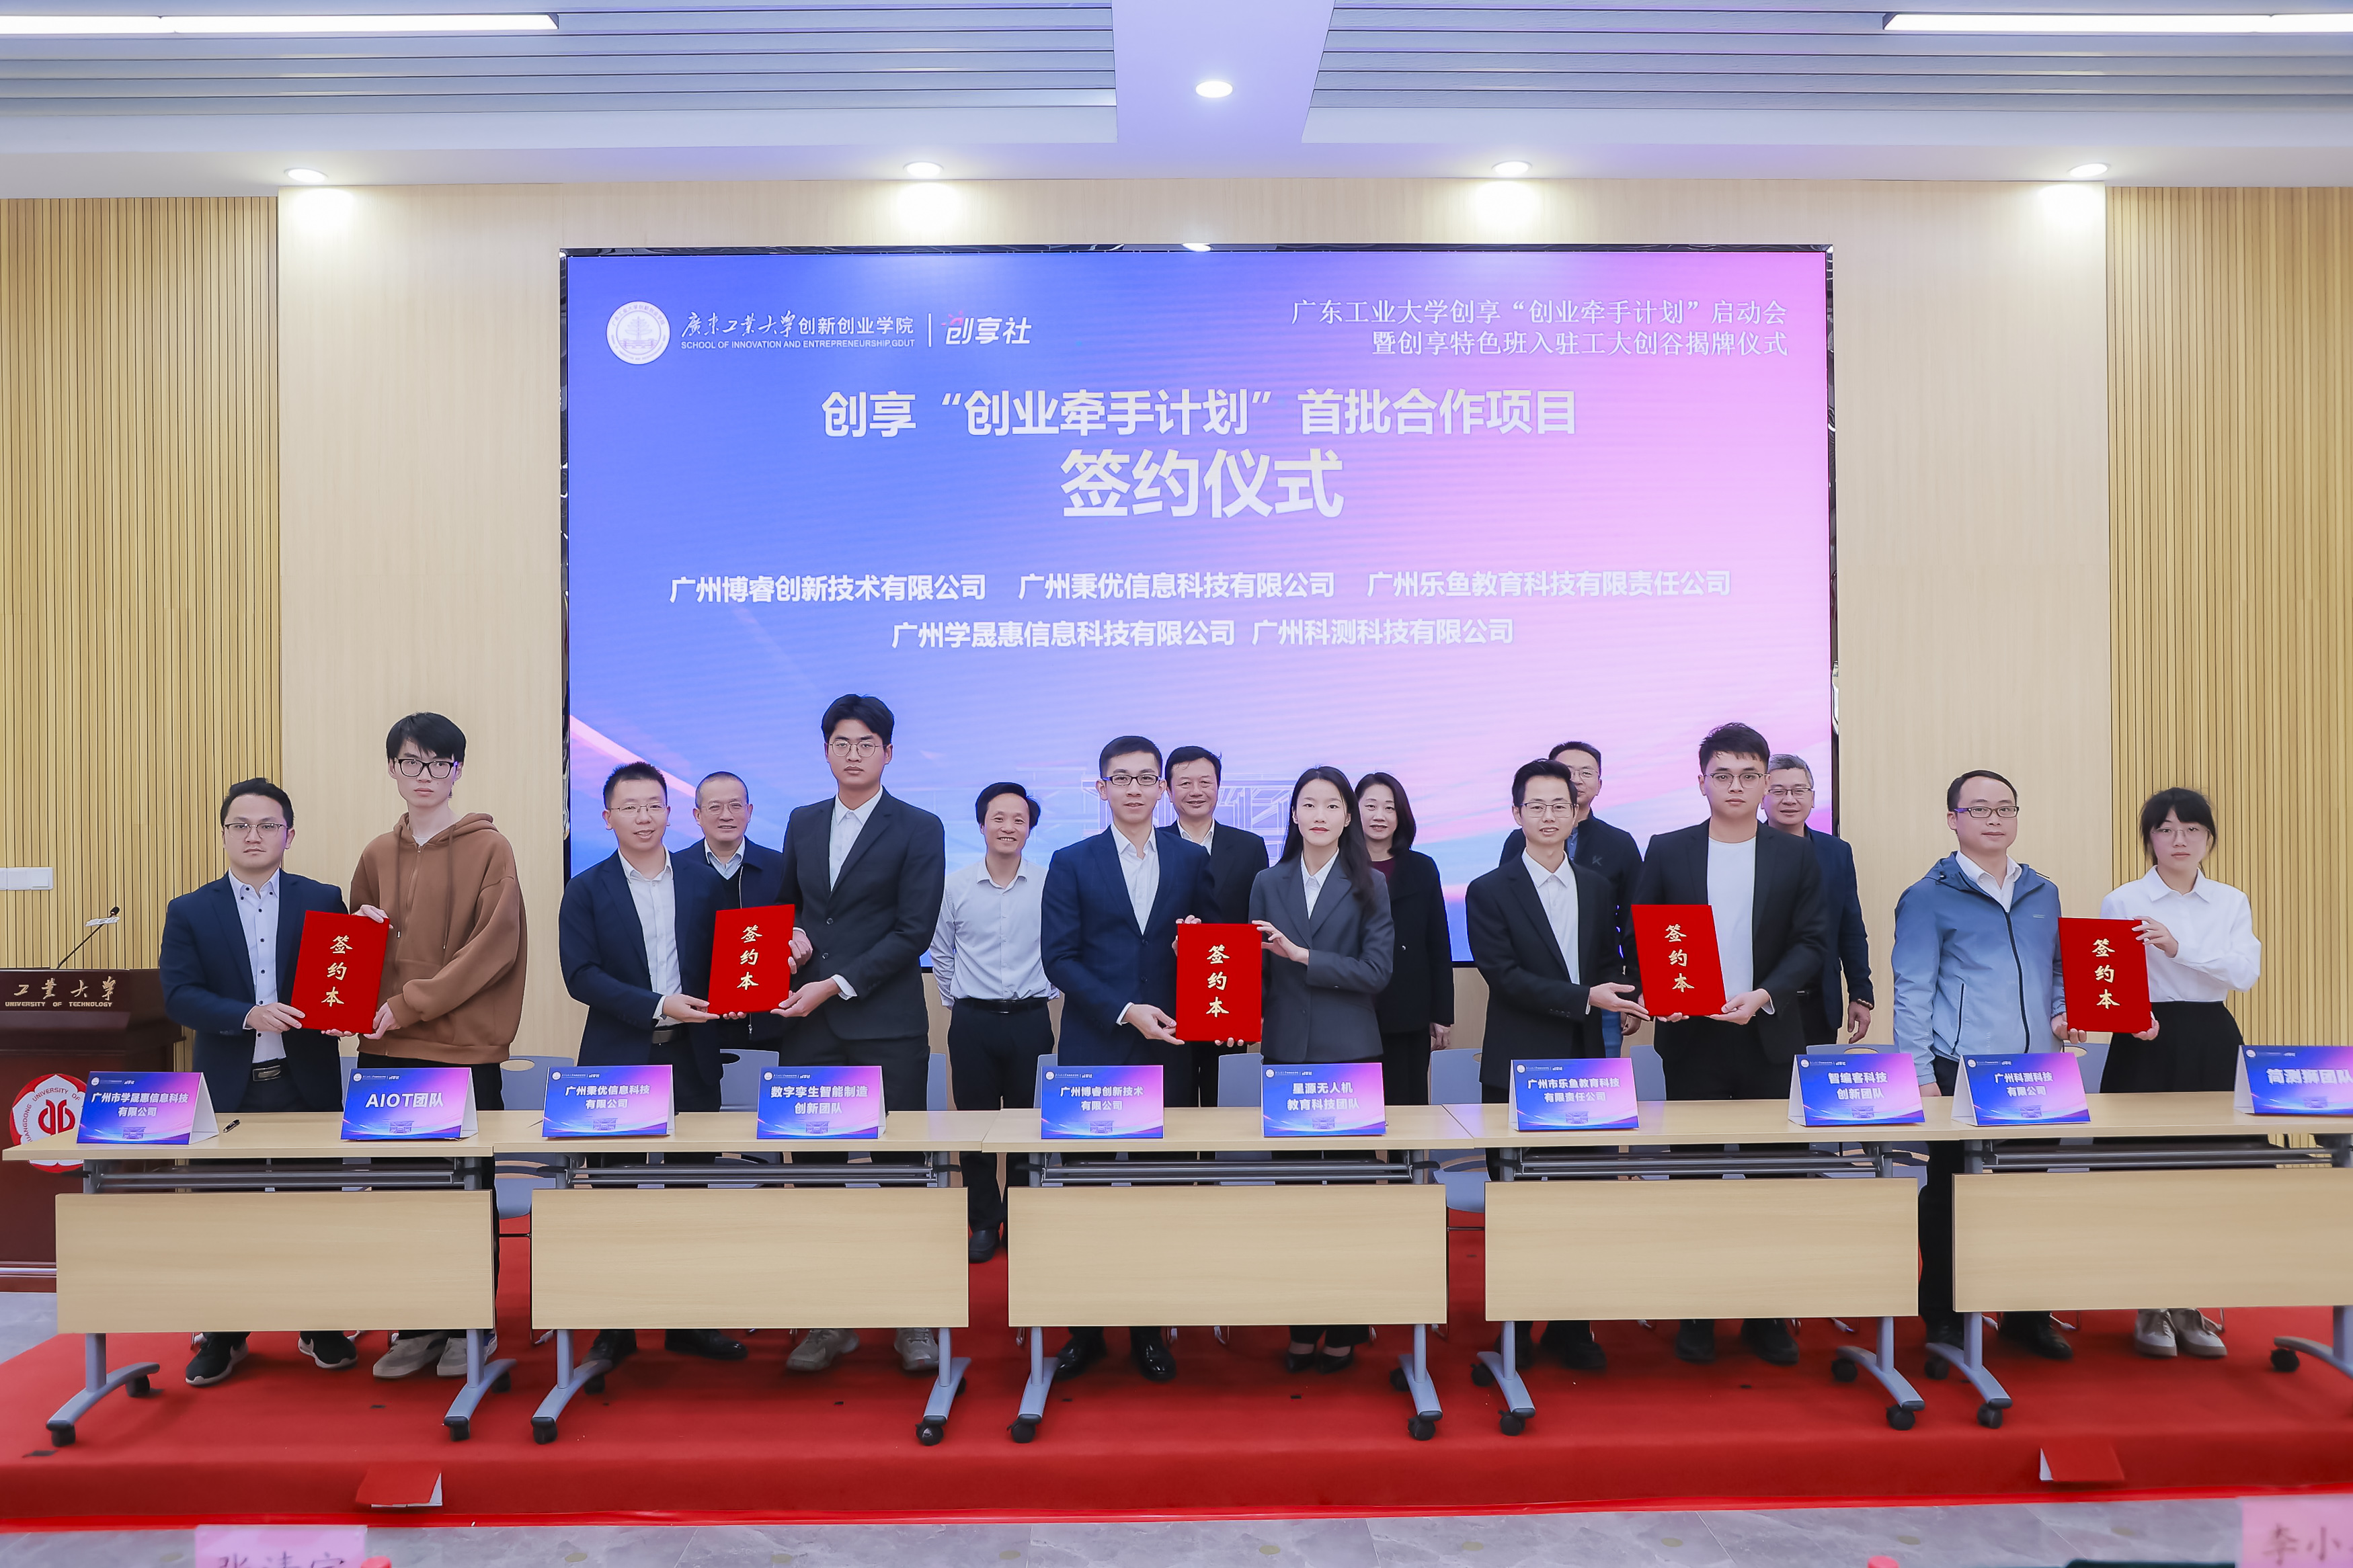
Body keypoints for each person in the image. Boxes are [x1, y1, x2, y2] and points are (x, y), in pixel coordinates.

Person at [1630, 722, 1829, 1369]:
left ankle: (1767, 1313)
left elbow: (1812, 941)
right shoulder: (1669, 849)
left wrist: (1766, 993)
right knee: (1697, 1179)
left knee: (1776, 1179)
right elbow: (1642, 932)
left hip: (1768, 1033)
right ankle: (1698, 1311)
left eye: (1748, 775)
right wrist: (1658, 990)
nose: (1735, 786)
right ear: (1701, 782)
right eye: (1723, 775)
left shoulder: (1796, 855)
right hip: (1693, 1039)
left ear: (1766, 782)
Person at [770, 694, 949, 1376]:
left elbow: (913, 930)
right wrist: (788, 936)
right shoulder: (802, 820)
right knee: (815, 1175)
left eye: (866, 743)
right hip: (807, 1026)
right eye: (841, 742)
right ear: (825, 751)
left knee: (901, 1174)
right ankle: (828, 1319)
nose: (853, 753)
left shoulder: (919, 826)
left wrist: (836, 981)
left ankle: (912, 1317)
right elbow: (786, 906)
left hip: (885, 1024)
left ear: (888, 752)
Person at [158, 777, 356, 1385]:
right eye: (240, 825)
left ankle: (320, 1322)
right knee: (226, 1216)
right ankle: (225, 1332)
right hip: (228, 1087)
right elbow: (179, 995)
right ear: (223, 835)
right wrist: (247, 1014)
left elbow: (340, 980)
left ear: (289, 836)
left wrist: (346, 1002)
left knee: (314, 1210)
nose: (253, 835)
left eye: (268, 825)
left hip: (306, 1081)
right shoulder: (190, 909)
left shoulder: (323, 899)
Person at [349, 712, 528, 1381]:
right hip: (387, 1053)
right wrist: (357, 939)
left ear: (458, 770)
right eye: (411, 761)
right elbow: (356, 949)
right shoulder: (376, 853)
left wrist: (409, 1003)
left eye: (439, 763)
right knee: (401, 1193)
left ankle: (470, 1324)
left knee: (467, 1193)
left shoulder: (491, 848)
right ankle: (419, 1322)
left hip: (462, 1054)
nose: (424, 775)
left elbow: (492, 949)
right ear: (391, 768)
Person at [558, 762, 746, 1370]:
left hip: (691, 1058)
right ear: (607, 816)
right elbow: (581, 976)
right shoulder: (586, 888)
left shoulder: (702, 882)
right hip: (619, 1061)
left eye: (653, 806)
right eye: (630, 807)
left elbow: (725, 959)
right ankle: (615, 1326)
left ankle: (689, 1320)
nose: (643, 817)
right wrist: (659, 1004)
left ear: (670, 813)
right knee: (615, 1196)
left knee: (692, 1194)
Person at [1891, 768, 2083, 1362]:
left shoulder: (2042, 891)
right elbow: (1912, 989)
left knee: (2030, 1195)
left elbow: (2058, 968)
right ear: (1953, 819)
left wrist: (2062, 1013)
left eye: (2005, 808)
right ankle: (1945, 1317)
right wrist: (1920, 1073)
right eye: (1978, 808)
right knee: (1951, 1195)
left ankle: (2026, 1316)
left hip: (2039, 1072)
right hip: (1961, 1070)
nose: (1994, 818)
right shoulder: (1927, 896)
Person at [1039, 735, 1212, 1385]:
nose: (1135, 789)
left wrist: (1198, 945)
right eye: (1122, 778)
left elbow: (1209, 946)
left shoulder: (1191, 858)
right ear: (1101, 788)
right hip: (1095, 1048)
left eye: (1146, 778)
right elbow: (1059, 957)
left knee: (1159, 1192)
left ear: (1162, 788)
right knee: (1082, 1194)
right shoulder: (1071, 861)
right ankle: (1085, 1330)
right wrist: (1124, 1008)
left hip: (1169, 1049)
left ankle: (1148, 1329)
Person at [1465, 757, 1647, 1374]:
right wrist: (1586, 996)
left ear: (1576, 813)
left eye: (1559, 806)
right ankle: (1514, 1328)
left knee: (1582, 1202)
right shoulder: (1489, 889)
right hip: (1518, 1065)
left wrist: (1632, 992)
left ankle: (1572, 1325)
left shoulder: (1595, 886)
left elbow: (1607, 961)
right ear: (1516, 814)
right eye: (1536, 806)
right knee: (1516, 1206)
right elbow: (1504, 976)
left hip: (1587, 1067)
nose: (1548, 816)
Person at [2102, 786, 2260, 1360]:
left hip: (2212, 1038)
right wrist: (2129, 1017)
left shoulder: (2230, 901)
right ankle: (2149, 1303)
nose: (2179, 840)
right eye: (2166, 829)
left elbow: (2244, 972)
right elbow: (2109, 979)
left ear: (2209, 839)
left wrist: (2178, 947)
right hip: (2145, 1040)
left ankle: (2191, 1304)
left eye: (2192, 829)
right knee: (2144, 1171)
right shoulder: (2123, 900)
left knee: (2210, 1172)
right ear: (2149, 839)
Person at [1249, 766, 1396, 1372]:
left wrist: (1303, 955)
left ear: (1347, 816)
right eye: (1308, 804)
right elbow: (1253, 969)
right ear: (1293, 814)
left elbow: (1377, 971)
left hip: (1349, 1057)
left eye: (1331, 805)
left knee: (1351, 1199)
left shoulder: (1369, 883)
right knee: (1295, 1200)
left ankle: (1347, 1323)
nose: (1319, 815)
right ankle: (1303, 1322)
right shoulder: (1268, 881)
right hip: (1286, 1053)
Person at [932, 782, 1054, 1265]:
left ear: (1030, 829)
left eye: (1019, 819)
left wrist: (1048, 990)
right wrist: (958, 1001)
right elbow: (941, 952)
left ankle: (1021, 1217)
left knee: (1028, 1125)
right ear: (982, 824)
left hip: (1030, 1020)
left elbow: (1061, 945)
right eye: (998, 818)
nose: (1008, 827)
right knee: (975, 1126)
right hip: (973, 1023)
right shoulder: (955, 886)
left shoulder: (1048, 884)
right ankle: (983, 1221)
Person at [1499, 742, 1642, 1054]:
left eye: (1586, 772)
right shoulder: (1516, 842)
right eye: (1568, 771)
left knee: (1598, 1073)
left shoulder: (1619, 843)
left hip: (1600, 989)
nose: (1577, 779)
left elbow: (1634, 922)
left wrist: (1632, 988)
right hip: (1531, 994)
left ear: (1600, 784)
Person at [1160, 745, 1271, 1106]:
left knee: (1224, 1107)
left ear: (1219, 787)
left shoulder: (1249, 846)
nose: (1196, 791)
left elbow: (1257, 924)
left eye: (1205, 782)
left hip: (1227, 999)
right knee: (1171, 1108)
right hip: (1167, 999)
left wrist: (1255, 1004)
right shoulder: (1152, 845)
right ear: (1168, 790)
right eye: (1185, 783)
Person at [674, 770, 790, 1075]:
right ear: (697, 815)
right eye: (715, 807)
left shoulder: (781, 867)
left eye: (736, 805)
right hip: (694, 1022)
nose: (726, 815)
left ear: (749, 812)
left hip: (769, 1023)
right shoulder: (674, 871)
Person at [1355, 772, 1453, 1105]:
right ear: (1353, 812)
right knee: (1355, 1105)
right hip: (1351, 1007)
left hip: (1408, 1007)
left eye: (1390, 808)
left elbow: (1438, 944)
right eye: (1371, 806)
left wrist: (1442, 1013)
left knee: (1407, 1106)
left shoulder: (1422, 868)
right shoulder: (1338, 867)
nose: (1380, 816)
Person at [1763, 754, 1874, 1046]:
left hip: (1819, 1002)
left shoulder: (1836, 852)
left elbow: (1850, 928)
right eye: (1778, 791)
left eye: (1799, 791)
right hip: (1761, 1001)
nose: (1790, 799)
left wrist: (1860, 993)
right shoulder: (1746, 850)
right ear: (1762, 798)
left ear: (1812, 799)